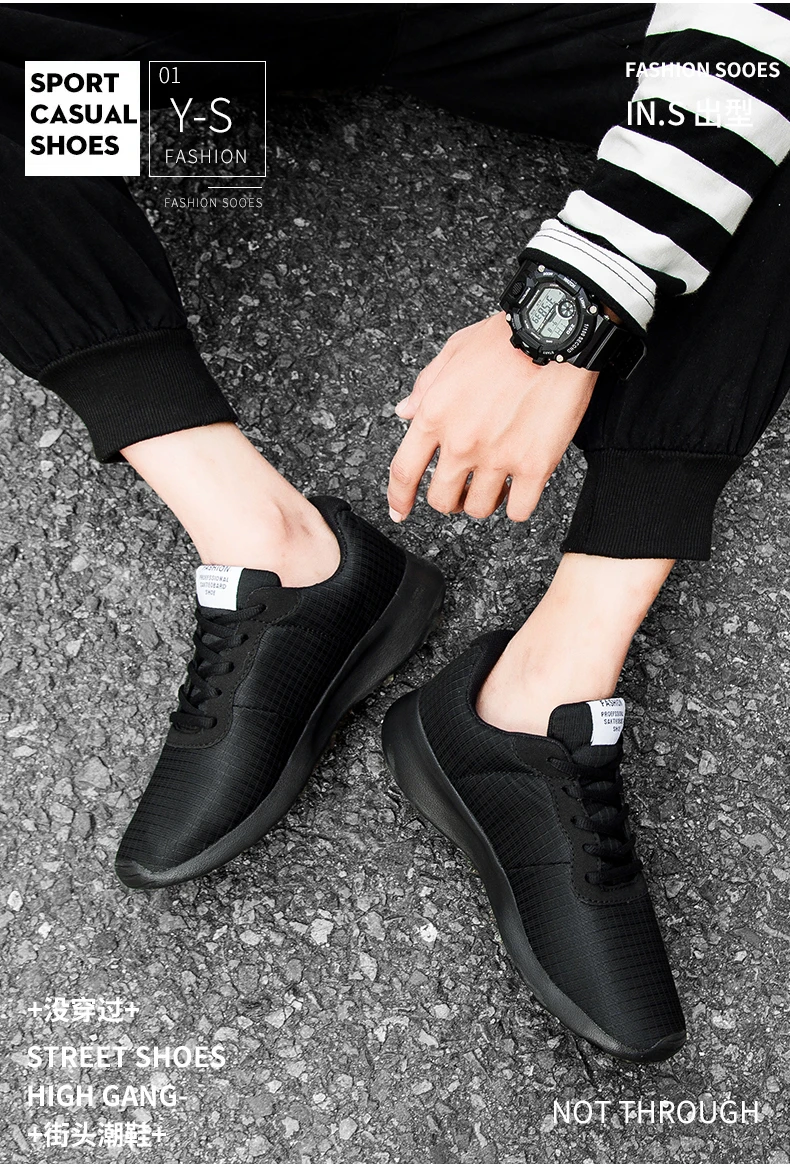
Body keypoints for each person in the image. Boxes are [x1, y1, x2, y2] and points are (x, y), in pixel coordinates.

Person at [3, 2, 789, 1063]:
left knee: (765, 113)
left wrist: (572, 303)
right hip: (218, 61)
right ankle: (274, 552)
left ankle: (544, 691)